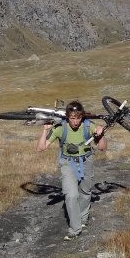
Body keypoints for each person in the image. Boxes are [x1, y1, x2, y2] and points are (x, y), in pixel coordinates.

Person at [36, 100, 107, 240]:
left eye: (78, 118)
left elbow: (102, 148)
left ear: (82, 117)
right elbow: (40, 148)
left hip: (86, 160)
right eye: (72, 118)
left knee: (85, 192)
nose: (75, 122)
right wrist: (45, 130)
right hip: (67, 163)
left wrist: (101, 134)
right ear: (67, 117)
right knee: (71, 195)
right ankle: (75, 229)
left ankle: (83, 219)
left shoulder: (88, 126)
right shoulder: (60, 128)